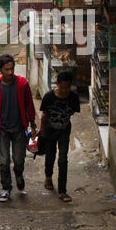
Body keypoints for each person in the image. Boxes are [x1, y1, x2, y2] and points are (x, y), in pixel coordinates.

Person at [0, 54, 37, 202]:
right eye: (7, 69)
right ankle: (6, 188)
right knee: (4, 161)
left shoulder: (22, 84)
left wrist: (33, 125)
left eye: (12, 68)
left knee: (19, 160)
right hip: (3, 131)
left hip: (19, 129)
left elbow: (29, 106)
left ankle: (18, 174)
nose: (10, 72)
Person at [38, 71, 80, 203]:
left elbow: (73, 111)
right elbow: (44, 115)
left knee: (63, 160)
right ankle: (48, 177)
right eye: (62, 87)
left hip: (64, 131)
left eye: (67, 87)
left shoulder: (73, 97)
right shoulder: (49, 97)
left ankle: (62, 191)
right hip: (50, 130)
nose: (64, 90)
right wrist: (41, 131)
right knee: (50, 155)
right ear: (57, 84)